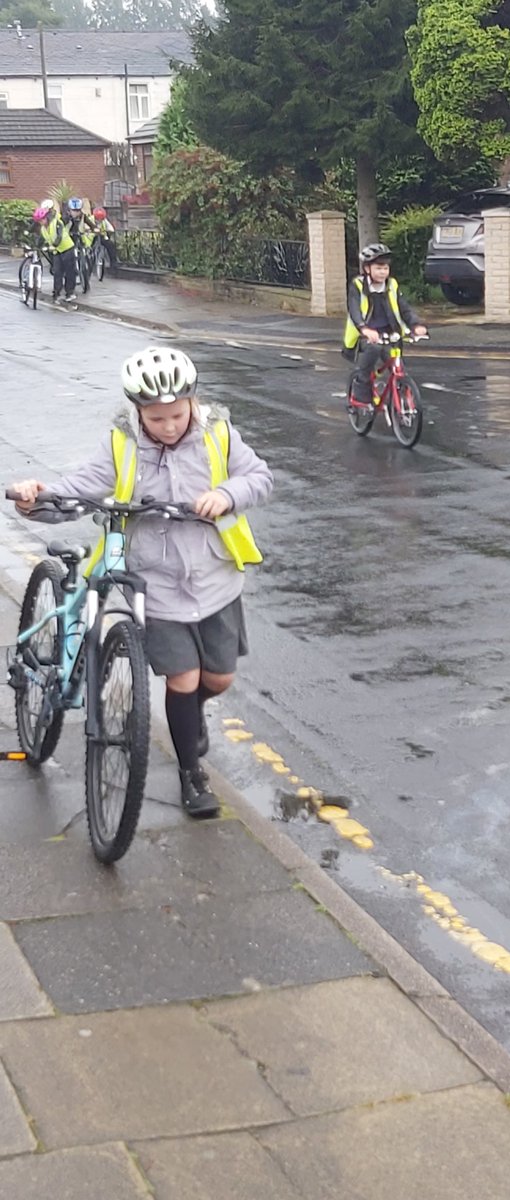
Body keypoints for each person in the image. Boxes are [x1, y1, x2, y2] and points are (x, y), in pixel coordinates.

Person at [8, 347, 274, 819]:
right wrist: (35, 499)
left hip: (215, 580)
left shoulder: (218, 434)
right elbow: (77, 489)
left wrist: (226, 494)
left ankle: (189, 720)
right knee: (183, 678)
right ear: (138, 411)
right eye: (156, 417)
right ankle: (192, 774)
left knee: (219, 677)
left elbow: (258, 477)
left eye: (176, 414)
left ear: (192, 402)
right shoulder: (122, 443)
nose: (169, 425)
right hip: (156, 584)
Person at [343, 242, 428, 407]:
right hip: (365, 334)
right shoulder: (358, 285)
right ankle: (361, 388)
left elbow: (404, 308)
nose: (383, 272)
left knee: (398, 366)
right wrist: (364, 329)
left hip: (389, 333)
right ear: (367, 269)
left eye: (385, 268)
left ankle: (400, 399)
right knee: (373, 350)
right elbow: (354, 310)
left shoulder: (392, 285)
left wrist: (415, 325)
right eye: (378, 268)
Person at [35, 204, 76, 304]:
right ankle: (56, 293)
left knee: (69, 272)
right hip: (57, 251)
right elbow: (41, 239)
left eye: (42, 220)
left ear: (46, 217)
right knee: (57, 272)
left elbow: (59, 236)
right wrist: (36, 247)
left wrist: (54, 244)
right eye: (39, 221)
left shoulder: (56, 223)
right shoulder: (43, 229)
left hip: (67, 248)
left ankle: (69, 293)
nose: (41, 222)